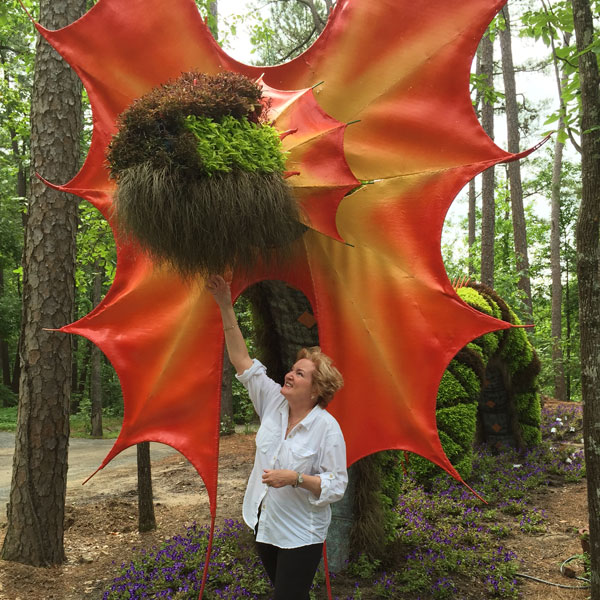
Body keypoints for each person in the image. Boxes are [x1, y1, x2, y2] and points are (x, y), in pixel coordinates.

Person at [206, 275, 348, 600]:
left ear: (316, 390)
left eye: (300, 373)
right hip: (263, 523)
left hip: (301, 533)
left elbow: (337, 485)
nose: (289, 374)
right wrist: (226, 304)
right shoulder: (272, 400)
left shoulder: (327, 428)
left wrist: (296, 478)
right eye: (292, 368)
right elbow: (241, 361)